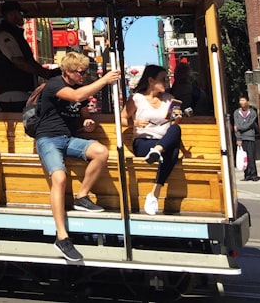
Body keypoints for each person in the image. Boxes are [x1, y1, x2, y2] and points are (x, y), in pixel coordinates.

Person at [34, 50, 120, 264]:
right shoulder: (55, 84)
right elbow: (76, 97)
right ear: (69, 72)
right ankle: (62, 237)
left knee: (101, 152)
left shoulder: (78, 87)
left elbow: (84, 114)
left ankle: (82, 196)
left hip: (69, 138)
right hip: (48, 139)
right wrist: (104, 80)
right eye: (80, 72)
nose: (83, 76)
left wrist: (88, 123)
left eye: (85, 72)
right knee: (60, 178)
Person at [124, 64, 185, 215]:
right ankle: (154, 194)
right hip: (143, 142)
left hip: (162, 143)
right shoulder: (137, 98)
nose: (166, 83)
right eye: (163, 79)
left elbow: (172, 125)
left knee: (175, 130)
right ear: (151, 80)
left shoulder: (169, 100)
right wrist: (134, 123)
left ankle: (154, 192)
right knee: (173, 151)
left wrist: (177, 119)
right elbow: (122, 119)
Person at [0, 0, 59, 111]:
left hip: (20, 91)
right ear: (12, 14)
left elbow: (29, 62)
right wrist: (47, 73)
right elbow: (20, 62)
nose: (22, 17)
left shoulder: (14, 33)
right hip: (14, 92)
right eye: (20, 14)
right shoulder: (5, 34)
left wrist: (48, 73)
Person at [234, 96, 260, 181]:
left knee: (251, 156)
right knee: (244, 157)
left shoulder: (252, 112)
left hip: (250, 137)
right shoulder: (236, 112)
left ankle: (254, 174)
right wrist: (238, 138)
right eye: (240, 100)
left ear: (247, 102)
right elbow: (236, 124)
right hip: (242, 138)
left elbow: (250, 124)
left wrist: (239, 128)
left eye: (243, 100)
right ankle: (247, 174)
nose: (242, 102)